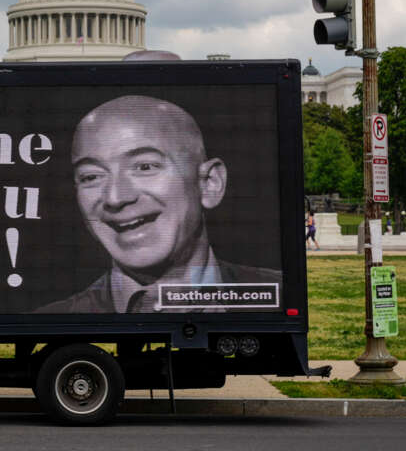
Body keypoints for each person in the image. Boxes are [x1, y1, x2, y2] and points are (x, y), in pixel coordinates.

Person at [37, 95, 278, 313]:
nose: (115, 198)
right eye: (91, 177)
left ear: (209, 183)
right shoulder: (54, 317)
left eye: (144, 167)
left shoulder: (279, 295)